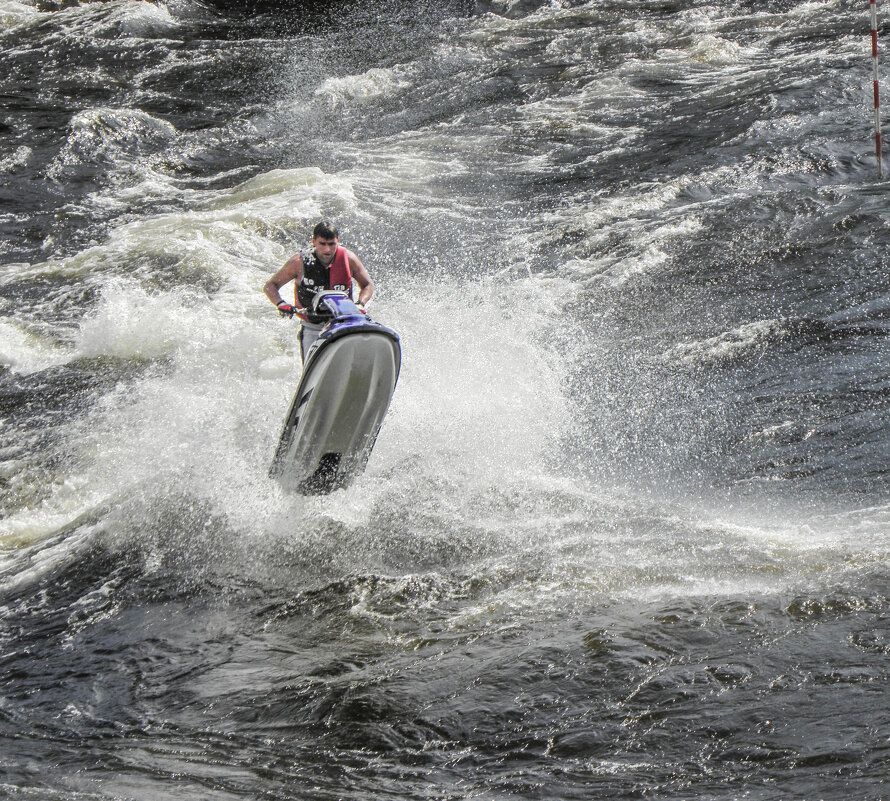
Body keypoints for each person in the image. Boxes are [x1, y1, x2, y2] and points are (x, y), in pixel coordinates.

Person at [264, 220, 374, 362]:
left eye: (332, 244)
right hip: (312, 327)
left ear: (338, 242)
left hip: (343, 324)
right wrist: (281, 303)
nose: (327, 249)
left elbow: (368, 285)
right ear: (314, 242)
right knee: (311, 363)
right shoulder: (298, 262)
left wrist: (360, 304)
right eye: (322, 244)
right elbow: (270, 286)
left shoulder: (349, 259)